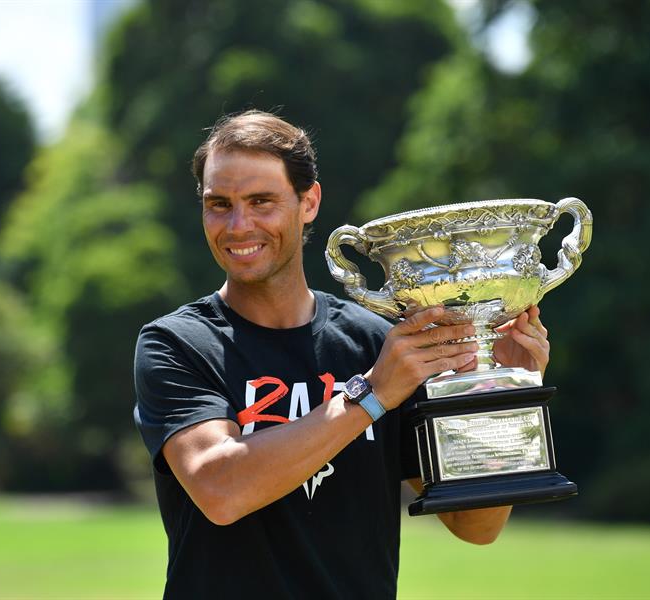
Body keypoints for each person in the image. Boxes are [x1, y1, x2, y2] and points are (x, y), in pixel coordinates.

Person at [133, 110, 551, 599]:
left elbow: (475, 524)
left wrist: (502, 398)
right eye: (218, 204)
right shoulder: (177, 344)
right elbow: (221, 490)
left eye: (261, 201)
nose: (238, 225)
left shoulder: (379, 345)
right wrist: (370, 396)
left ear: (309, 202)